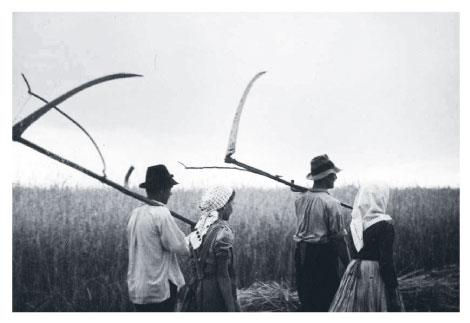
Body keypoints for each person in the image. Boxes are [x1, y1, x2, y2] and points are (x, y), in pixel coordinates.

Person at [329, 182, 405, 312]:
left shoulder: (355, 223)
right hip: (374, 274)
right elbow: (386, 262)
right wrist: (392, 289)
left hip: (355, 271)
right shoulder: (385, 226)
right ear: (381, 199)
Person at [126, 164, 189, 312]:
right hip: (158, 290)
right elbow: (180, 246)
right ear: (161, 190)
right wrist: (197, 236)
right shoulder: (161, 213)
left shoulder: (134, 214)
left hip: (138, 289)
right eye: (169, 189)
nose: (170, 194)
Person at [294, 154, 350, 312]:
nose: (336, 177)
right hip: (322, 257)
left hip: (301, 255)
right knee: (326, 301)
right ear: (326, 177)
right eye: (333, 174)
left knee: (307, 299)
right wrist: (348, 265)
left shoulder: (300, 199)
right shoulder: (331, 203)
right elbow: (339, 240)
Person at [181, 185, 241, 312]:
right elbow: (223, 276)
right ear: (224, 206)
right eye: (232, 204)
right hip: (215, 293)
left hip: (196, 290)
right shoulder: (223, 232)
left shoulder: (199, 230)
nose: (232, 208)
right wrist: (232, 307)